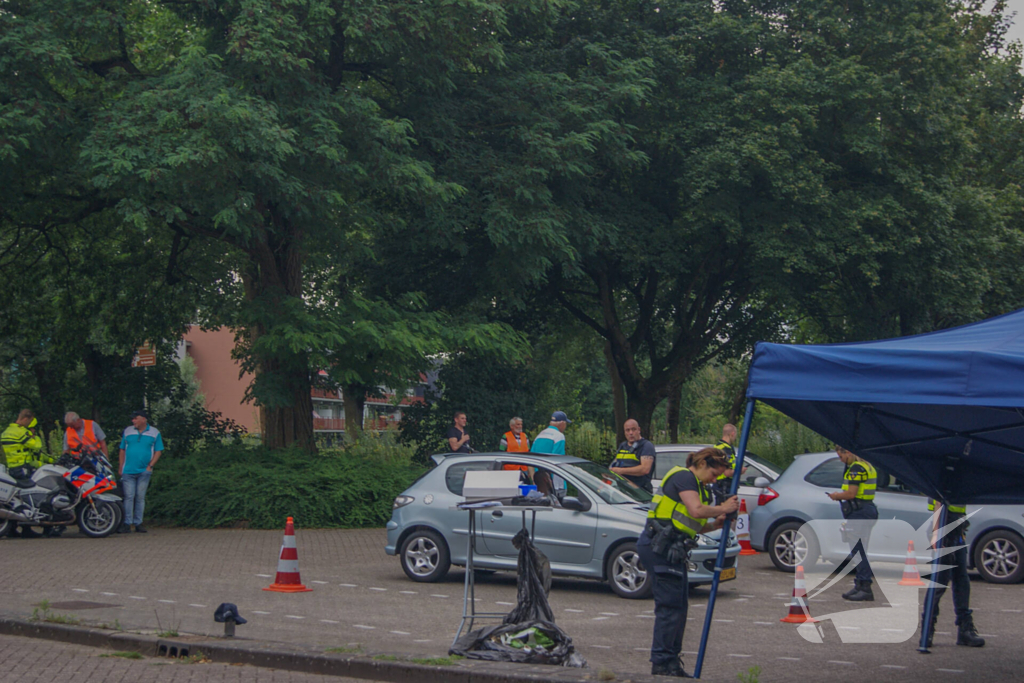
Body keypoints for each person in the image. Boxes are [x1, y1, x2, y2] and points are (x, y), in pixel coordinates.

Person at [637, 448, 738, 677]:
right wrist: (724, 508)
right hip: (659, 547)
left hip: (673, 549)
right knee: (670, 608)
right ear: (702, 463)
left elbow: (695, 524)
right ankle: (662, 665)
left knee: (679, 608)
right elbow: (696, 509)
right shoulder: (684, 477)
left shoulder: (698, 486)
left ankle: (671, 662)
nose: (715, 479)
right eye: (714, 473)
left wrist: (717, 524)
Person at [921, 499, 984, 648]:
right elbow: (939, 501)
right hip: (944, 528)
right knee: (939, 583)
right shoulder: (949, 476)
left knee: (961, 580)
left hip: (956, 528)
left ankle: (965, 629)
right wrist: (937, 534)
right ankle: (927, 631)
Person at [827, 446, 878, 601]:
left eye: (841, 457)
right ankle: (859, 585)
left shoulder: (857, 469)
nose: (841, 460)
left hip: (859, 511)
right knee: (860, 550)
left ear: (848, 452)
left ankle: (865, 587)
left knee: (857, 551)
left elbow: (851, 493)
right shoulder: (868, 466)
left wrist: (836, 496)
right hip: (866, 510)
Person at [1, 410, 47, 538]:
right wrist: (35, 437)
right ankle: (27, 529)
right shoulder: (21, 432)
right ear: (26, 419)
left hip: (12, 467)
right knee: (28, 497)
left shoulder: (7, 431)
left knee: (17, 497)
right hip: (23, 468)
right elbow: (36, 446)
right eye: (30, 423)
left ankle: (12, 529)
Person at [118, 410, 164, 534]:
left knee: (140, 497)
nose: (133, 421)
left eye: (135, 418)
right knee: (128, 497)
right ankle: (127, 523)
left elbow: (158, 451)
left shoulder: (154, 432)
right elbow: (122, 449)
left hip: (144, 470)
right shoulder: (128, 431)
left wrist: (150, 466)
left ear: (144, 419)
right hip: (128, 470)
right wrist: (121, 467)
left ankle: (138, 523)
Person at [609, 418, 657, 492]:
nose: (630, 433)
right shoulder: (622, 445)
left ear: (639, 430)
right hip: (622, 491)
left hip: (640, 492)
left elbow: (645, 469)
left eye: (633, 429)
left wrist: (620, 471)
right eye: (627, 430)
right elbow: (614, 465)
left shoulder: (646, 446)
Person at [713, 424, 745, 496]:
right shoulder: (725, 449)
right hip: (724, 486)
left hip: (719, 484)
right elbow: (727, 473)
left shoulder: (718, 446)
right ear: (732, 434)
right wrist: (740, 470)